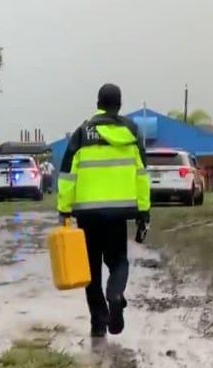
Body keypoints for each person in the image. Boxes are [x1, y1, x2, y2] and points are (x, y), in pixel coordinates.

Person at [57, 83, 151, 338]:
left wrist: (64, 209)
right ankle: (116, 293)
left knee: (91, 269)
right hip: (119, 213)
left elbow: (67, 175)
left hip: (88, 214)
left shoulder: (81, 133)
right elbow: (142, 175)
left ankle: (98, 323)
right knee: (118, 260)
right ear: (119, 105)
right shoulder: (131, 133)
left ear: (98, 103)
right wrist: (144, 211)